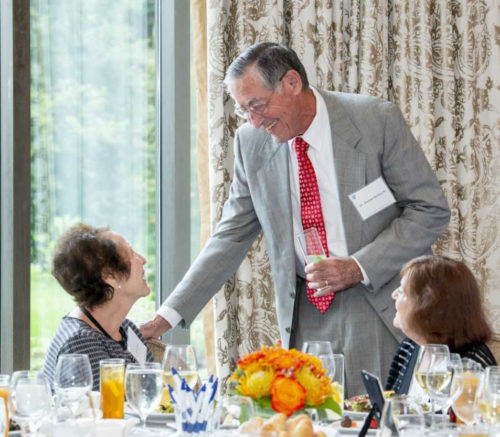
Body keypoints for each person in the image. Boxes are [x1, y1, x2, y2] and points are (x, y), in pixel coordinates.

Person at [141, 42, 450, 395]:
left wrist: (357, 267)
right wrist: (167, 316)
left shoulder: (375, 120)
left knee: (376, 425)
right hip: (305, 314)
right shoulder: (251, 144)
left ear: (291, 82)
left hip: (375, 302)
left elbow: (430, 209)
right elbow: (230, 236)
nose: (255, 122)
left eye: (257, 106)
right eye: (244, 111)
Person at [43, 224, 154, 390]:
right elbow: (100, 414)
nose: (142, 260)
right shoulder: (80, 345)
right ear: (109, 276)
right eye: (131, 254)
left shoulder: (127, 329)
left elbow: (154, 394)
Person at [386, 255, 497, 393]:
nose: (393, 294)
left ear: (428, 307)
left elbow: (470, 413)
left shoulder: (472, 365)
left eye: (402, 291)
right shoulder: (409, 348)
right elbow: (391, 406)